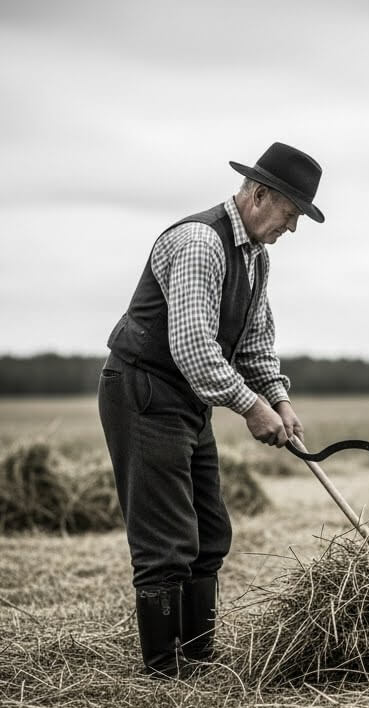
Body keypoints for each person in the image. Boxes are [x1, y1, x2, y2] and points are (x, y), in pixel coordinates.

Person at [98, 142, 324, 678]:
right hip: (144, 391)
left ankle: (197, 657)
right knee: (166, 539)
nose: (291, 229)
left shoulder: (255, 257)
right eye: (291, 214)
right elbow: (195, 347)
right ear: (259, 193)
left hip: (188, 400)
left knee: (210, 531)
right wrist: (251, 408)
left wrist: (279, 399)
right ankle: (165, 670)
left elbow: (252, 345)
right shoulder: (201, 242)